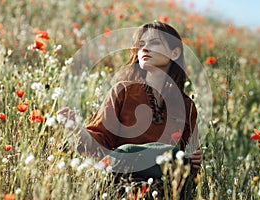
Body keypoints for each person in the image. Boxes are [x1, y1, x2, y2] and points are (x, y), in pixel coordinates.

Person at [57, 21, 201, 198]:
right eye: (141, 44)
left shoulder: (186, 106)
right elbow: (100, 143)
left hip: (163, 190)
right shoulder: (123, 92)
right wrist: (77, 130)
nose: (145, 49)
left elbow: (188, 164)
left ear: (175, 52)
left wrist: (194, 162)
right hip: (121, 184)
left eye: (154, 43)